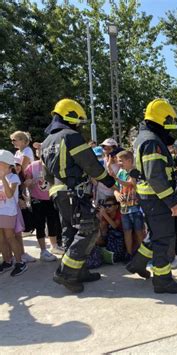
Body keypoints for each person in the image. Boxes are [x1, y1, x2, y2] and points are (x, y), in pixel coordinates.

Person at [41, 98, 115, 293]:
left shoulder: (46, 142)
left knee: (70, 232)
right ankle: (66, 273)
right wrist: (108, 180)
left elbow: (45, 174)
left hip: (58, 191)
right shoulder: (71, 136)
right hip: (74, 191)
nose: (77, 125)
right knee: (89, 229)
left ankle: (79, 272)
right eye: (77, 121)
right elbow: (89, 163)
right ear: (70, 117)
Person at [125, 98, 177, 294]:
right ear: (161, 119)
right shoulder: (152, 141)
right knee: (164, 239)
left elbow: (155, 167)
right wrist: (172, 202)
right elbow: (155, 175)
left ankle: (137, 263)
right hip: (158, 198)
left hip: (149, 198)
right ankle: (163, 281)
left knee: (155, 235)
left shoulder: (145, 137)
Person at [23, 143, 61, 260]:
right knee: (40, 225)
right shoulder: (32, 166)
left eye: (42, 150)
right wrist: (28, 182)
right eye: (38, 151)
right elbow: (25, 180)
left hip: (51, 197)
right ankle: (43, 250)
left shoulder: (53, 164)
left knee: (52, 222)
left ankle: (54, 246)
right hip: (37, 199)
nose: (40, 153)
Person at [0, 150, 28, 276]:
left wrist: (2, 178)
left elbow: (10, 194)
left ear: (8, 165)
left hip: (8, 212)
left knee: (10, 237)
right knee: (1, 239)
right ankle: (7, 261)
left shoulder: (14, 177)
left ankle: (20, 262)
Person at [113, 150, 145, 259]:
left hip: (136, 207)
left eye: (121, 161)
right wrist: (116, 193)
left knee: (139, 231)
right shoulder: (121, 172)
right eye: (118, 161)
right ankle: (129, 254)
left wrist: (116, 178)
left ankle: (142, 256)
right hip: (124, 208)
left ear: (129, 160)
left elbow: (131, 184)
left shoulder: (135, 171)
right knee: (127, 231)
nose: (119, 163)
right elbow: (115, 187)